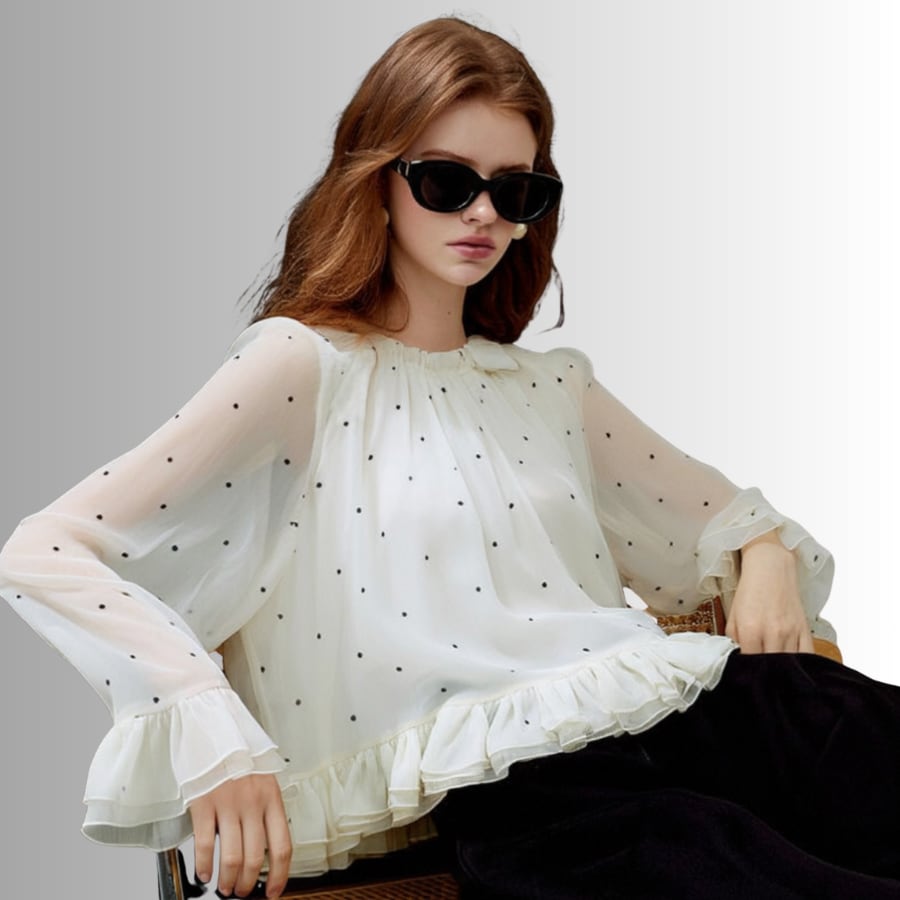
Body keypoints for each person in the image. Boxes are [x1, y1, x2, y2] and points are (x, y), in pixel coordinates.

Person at [1, 16, 898, 900]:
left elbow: (724, 521)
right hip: (526, 790)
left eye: (517, 191)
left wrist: (765, 552)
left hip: (694, 713)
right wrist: (207, 728)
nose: (484, 214)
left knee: (853, 730)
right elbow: (47, 550)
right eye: (446, 181)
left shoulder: (550, 387)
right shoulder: (300, 366)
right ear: (376, 182)